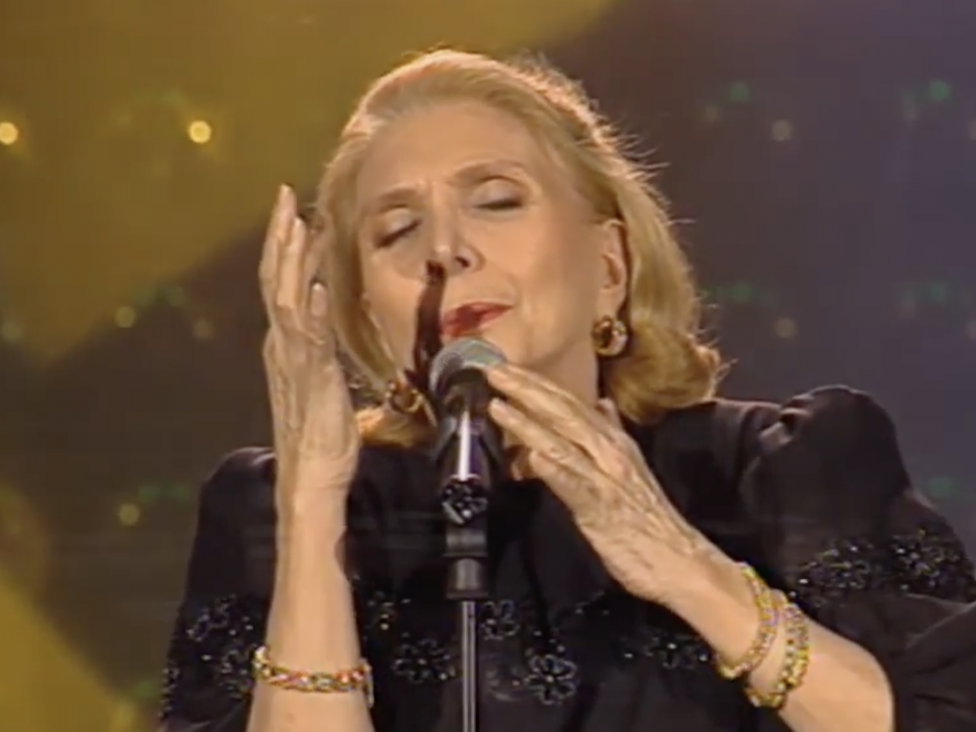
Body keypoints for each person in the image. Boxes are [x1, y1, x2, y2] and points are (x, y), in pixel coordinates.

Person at [158, 49, 976, 732]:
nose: (444, 249)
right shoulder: (273, 515)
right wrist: (312, 508)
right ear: (370, 320)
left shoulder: (784, 470)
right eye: (397, 229)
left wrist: (686, 566)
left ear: (610, 268)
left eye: (496, 201)